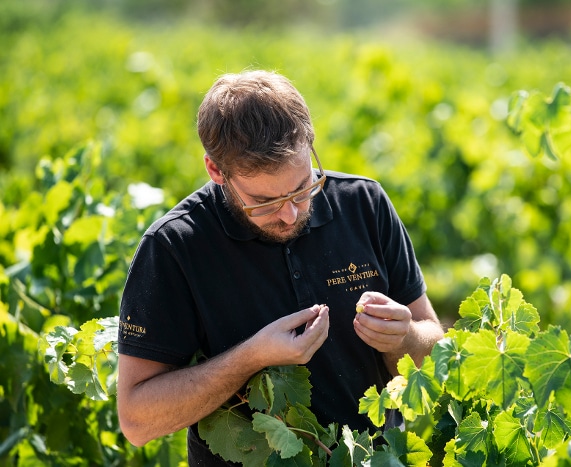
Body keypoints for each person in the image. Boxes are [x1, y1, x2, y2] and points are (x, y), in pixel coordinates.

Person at [116, 70, 444, 465]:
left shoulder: (364, 205)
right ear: (216, 171)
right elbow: (136, 420)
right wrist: (251, 357)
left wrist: (405, 336)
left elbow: (433, 344)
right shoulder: (174, 246)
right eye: (265, 201)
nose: (290, 215)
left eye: (302, 187)